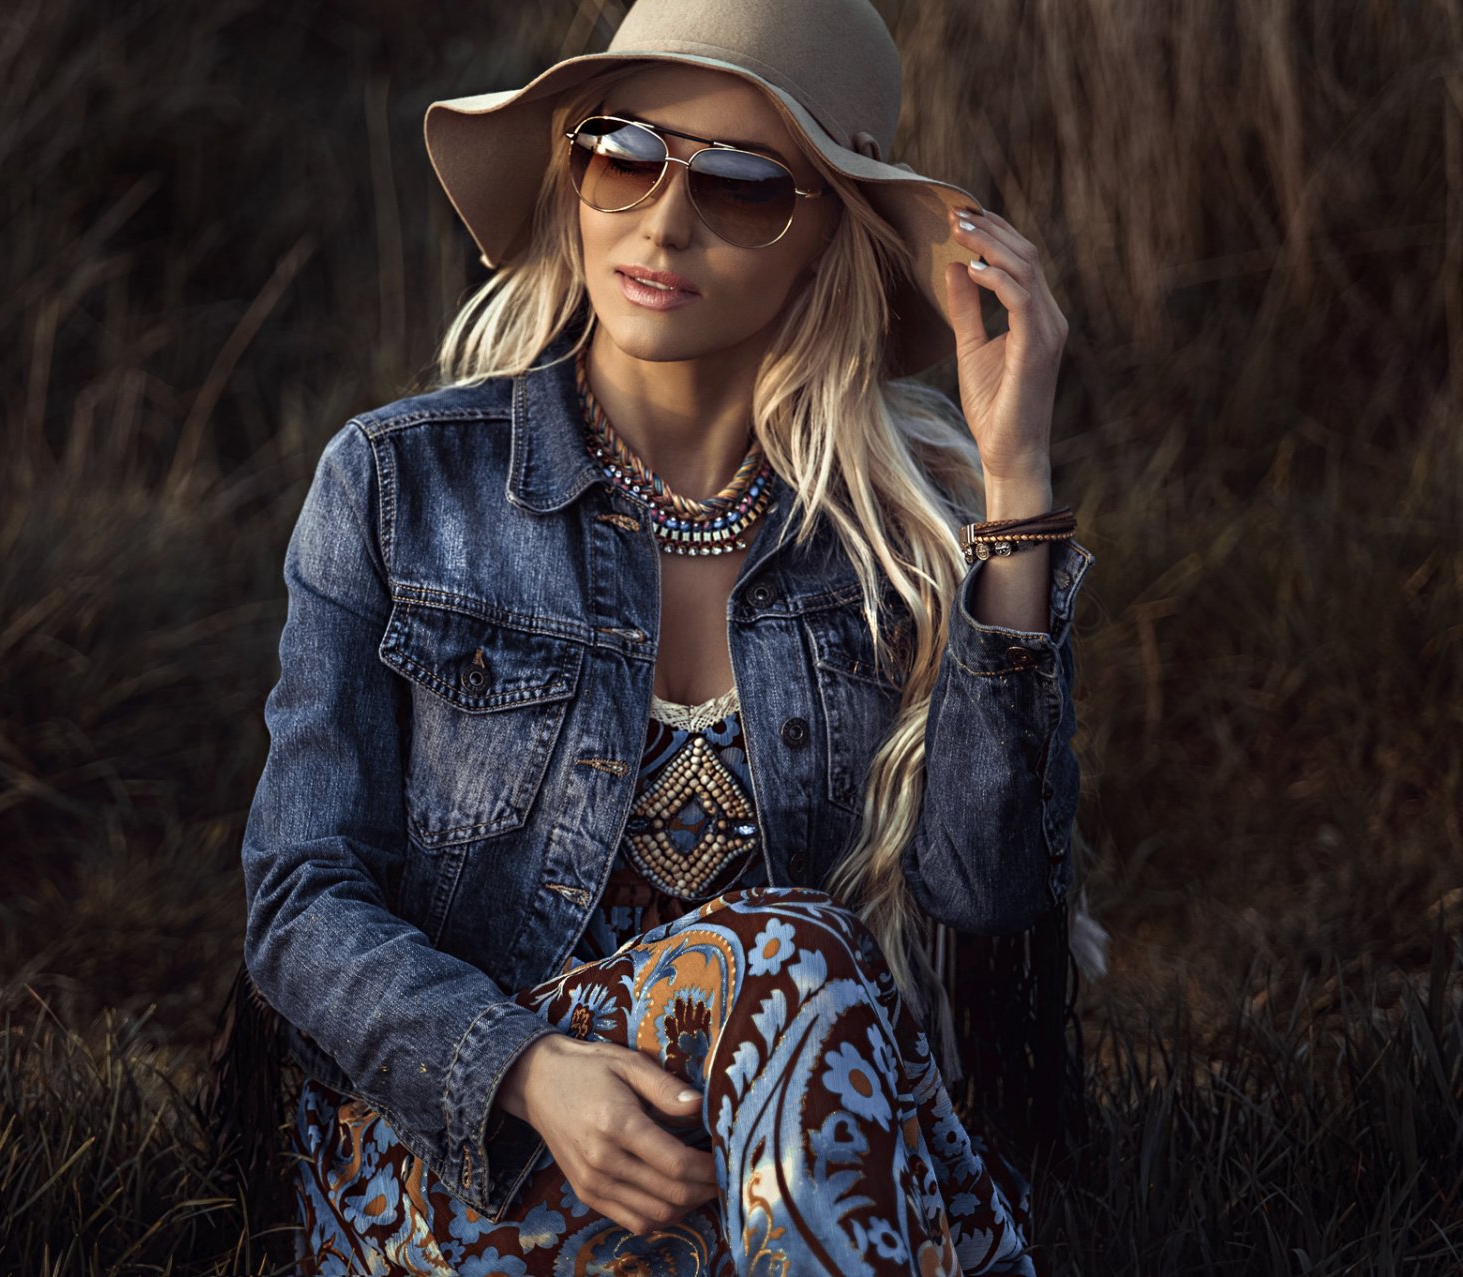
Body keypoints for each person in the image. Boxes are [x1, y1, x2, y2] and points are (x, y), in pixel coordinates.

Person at [234, 0, 1095, 1271]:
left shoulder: (894, 535)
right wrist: (524, 1069)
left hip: (779, 1139)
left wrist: (1015, 487)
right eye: (624, 153)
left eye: (745, 187)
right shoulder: (396, 488)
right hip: (467, 1138)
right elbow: (301, 895)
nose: (664, 219)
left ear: (826, 243)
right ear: (575, 168)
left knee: (798, 988)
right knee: (797, 953)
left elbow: (994, 896)